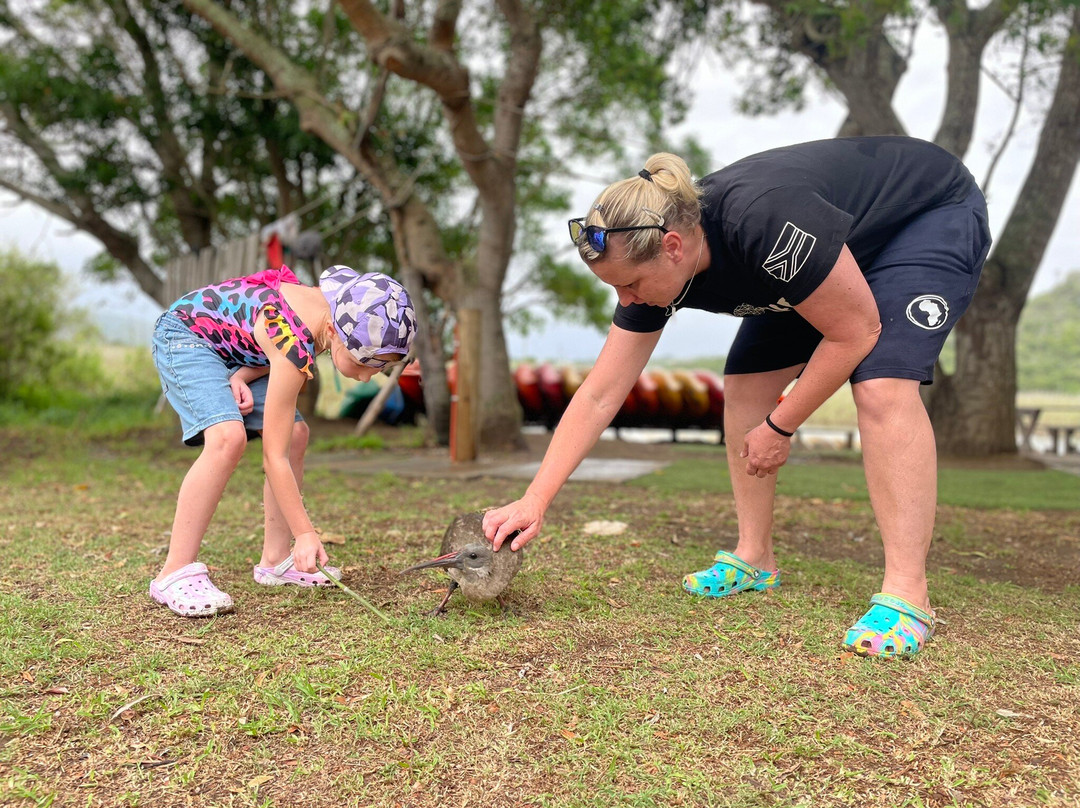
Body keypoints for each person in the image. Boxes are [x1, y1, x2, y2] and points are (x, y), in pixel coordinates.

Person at [483, 136, 991, 659]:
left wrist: (780, 426)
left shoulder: (760, 221)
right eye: (615, 288)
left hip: (923, 217)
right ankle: (755, 557)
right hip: (820, 258)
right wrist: (535, 499)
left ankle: (908, 592)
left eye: (631, 284)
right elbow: (599, 394)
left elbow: (855, 332)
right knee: (746, 386)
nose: (626, 300)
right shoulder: (660, 262)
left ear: (673, 247)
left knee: (880, 385)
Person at [149, 265, 416, 617]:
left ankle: (274, 560)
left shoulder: (326, 312)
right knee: (228, 438)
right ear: (335, 333)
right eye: (365, 363)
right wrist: (305, 533)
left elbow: (263, 339)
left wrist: (242, 375)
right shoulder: (296, 335)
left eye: (380, 369)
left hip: (235, 354)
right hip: (187, 337)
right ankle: (174, 572)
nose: (368, 377)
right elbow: (273, 456)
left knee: (297, 435)